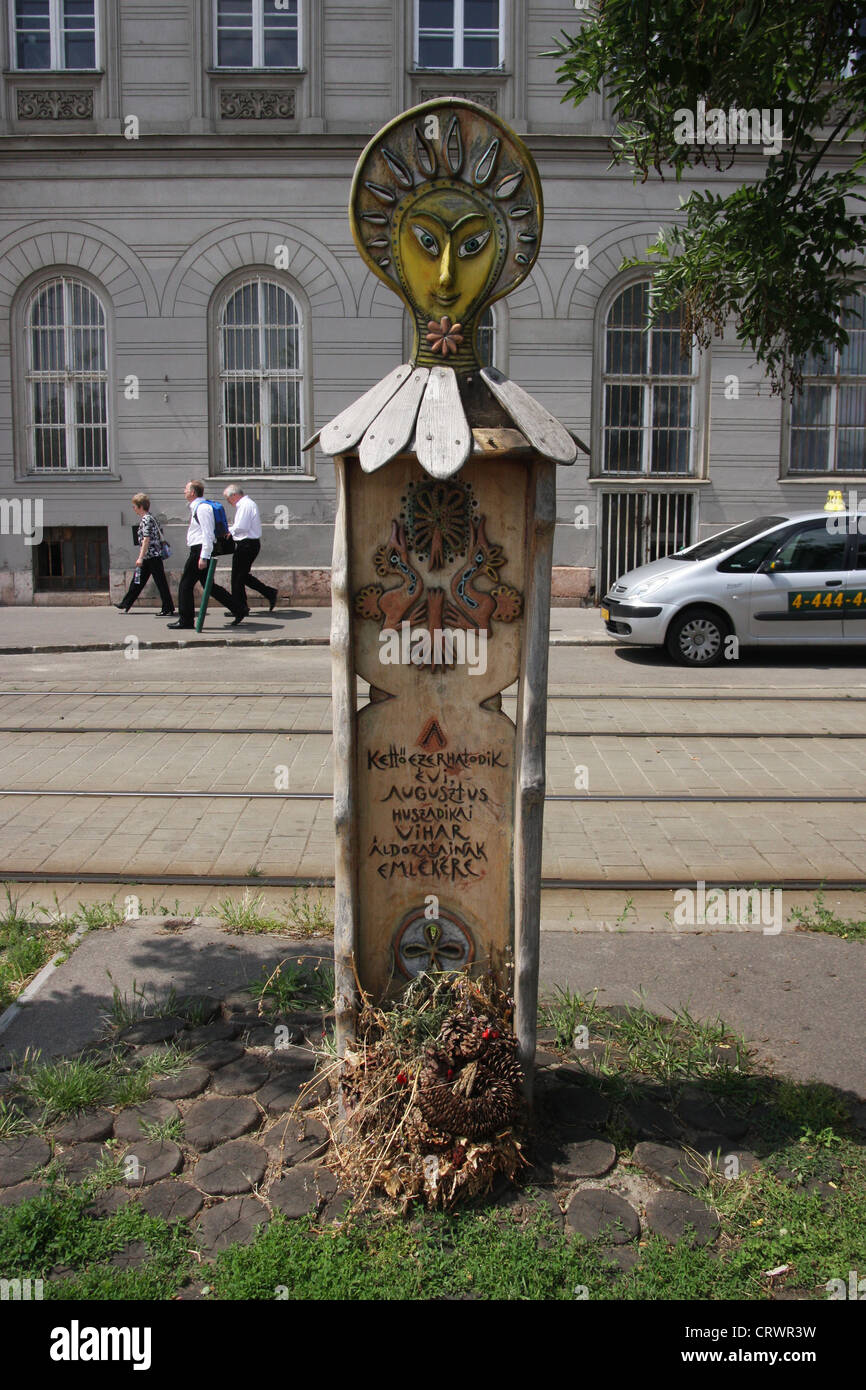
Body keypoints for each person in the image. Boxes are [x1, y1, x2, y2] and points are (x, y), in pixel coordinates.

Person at [168, 480, 245, 629]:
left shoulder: (202, 509)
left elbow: (208, 534)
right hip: (200, 550)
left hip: (201, 551)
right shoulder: (198, 507)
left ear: (192, 492)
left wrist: (203, 557)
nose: (184, 491)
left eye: (186, 489)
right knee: (209, 585)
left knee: (185, 585)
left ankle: (186, 620)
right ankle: (239, 608)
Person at [223, 483, 279, 617]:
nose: (228, 502)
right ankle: (268, 593)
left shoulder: (245, 505)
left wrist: (228, 531)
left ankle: (240, 607)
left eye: (227, 499)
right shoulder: (246, 504)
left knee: (237, 577)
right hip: (247, 544)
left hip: (246, 544)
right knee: (242, 576)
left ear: (234, 495)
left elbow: (241, 526)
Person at [115, 493, 175, 616]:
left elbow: (146, 539)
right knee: (138, 580)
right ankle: (126, 603)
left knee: (160, 582)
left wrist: (140, 558)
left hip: (151, 556)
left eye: (134, 506)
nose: (133, 508)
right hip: (150, 556)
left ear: (140, 506)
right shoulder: (150, 518)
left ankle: (168, 608)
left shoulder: (146, 519)